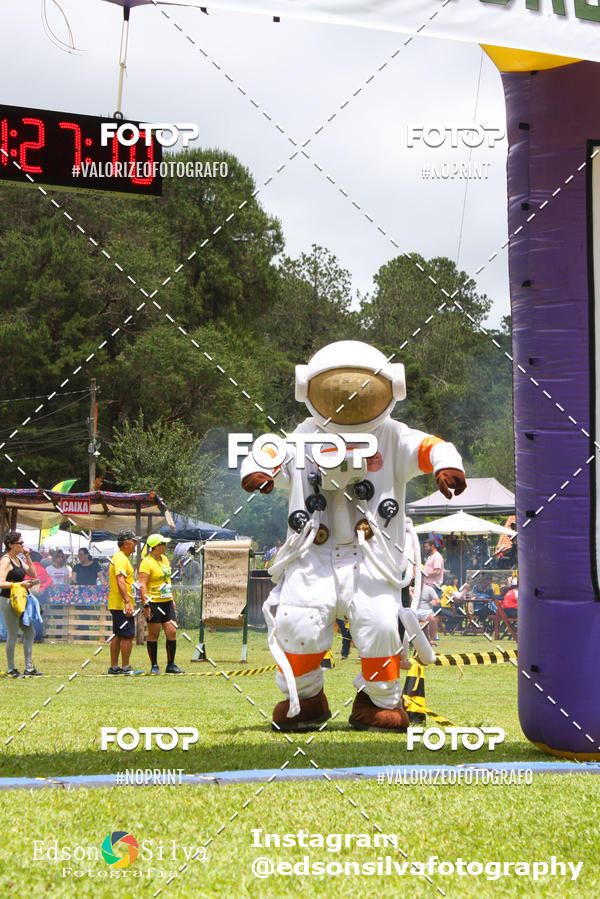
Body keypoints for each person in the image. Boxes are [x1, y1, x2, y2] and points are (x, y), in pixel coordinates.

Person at [241, 339, 466, 732]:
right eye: (336, 388)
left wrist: (444, 464)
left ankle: (377, 702)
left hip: (373, 557)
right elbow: (271, 453)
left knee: (380, 625)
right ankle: (306, 699)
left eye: (359, 389)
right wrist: (261, 471)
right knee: (298, 622)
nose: (347, 397)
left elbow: (429, 445)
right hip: (313, 554)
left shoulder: (393, 435)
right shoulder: (304, 434)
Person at [139, 534, 183, 674]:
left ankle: (171, 665)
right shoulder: (146, 562)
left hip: (167, 602)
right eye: (163, 543)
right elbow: (142, 585)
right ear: (156, 546)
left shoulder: (164, 559)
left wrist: (172, 599)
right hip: (154, 602)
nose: (166, 546)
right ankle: (154, 665)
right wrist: (146, 605)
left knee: (172, 631)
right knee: (154, 634)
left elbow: (167, 581)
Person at [0, 531, 41, 677]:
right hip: (8, 599)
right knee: (12, 634)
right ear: (11, 545)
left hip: (21, 599)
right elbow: (1, 582)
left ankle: (29, 668)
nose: (23, 545)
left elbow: (33, 573)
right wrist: (19, 585)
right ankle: (11, 668)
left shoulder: (17, 558)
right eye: (20, 543)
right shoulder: (5, 560)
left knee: (29, 632)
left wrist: (27, 555)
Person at [107, 531, 138, 675]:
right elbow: (120, 580)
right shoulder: (120, 558)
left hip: (119, 603)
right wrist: (127, 602)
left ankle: (114, 667)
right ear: (126, 543)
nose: (136, 545)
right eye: (134, 542)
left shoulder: (122, 558)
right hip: (121, 604)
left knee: (118, 634)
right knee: (127, 635)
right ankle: (125, 667)